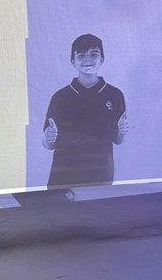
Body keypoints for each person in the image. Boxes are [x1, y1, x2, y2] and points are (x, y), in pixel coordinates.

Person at [42, 34, 129, 188]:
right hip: (63, 177)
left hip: (100, 175)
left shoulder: (114, 95)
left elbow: (117, 140)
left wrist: (122, 132)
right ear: (72, 61)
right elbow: (48, 145)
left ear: (102, 59)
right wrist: (48, 138)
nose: (87, 59)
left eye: (93, 54)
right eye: (81, 55)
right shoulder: (60, 97)